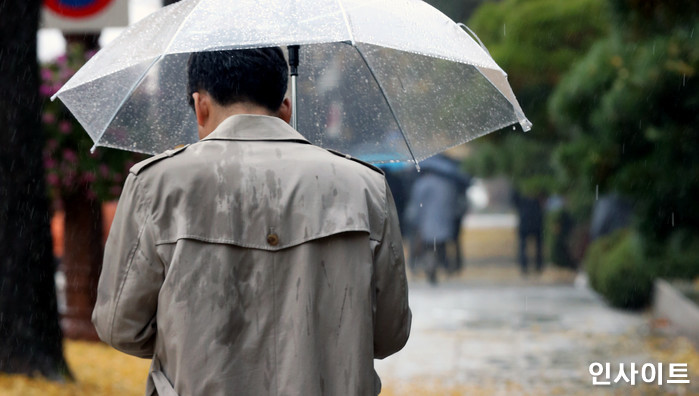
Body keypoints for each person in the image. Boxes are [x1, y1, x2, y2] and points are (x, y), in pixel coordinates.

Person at [92, 47, 411, 396]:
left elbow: (120, 326)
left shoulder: (156, 184)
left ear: (200, 106)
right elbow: (389, 334)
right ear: (285, 108)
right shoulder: (364, 187)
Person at [405, 154, 470, 283]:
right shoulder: (447, 184)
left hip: (425, 223)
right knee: (439, 247)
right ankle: (442, 266)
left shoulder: (421, 184)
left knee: (428, 247)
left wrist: (414, 222)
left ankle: (431, 266)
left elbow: (416, 206)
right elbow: (453, 204)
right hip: (443, 222)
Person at [512, 189, 544, 274]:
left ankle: (532, 266)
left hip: (528, 221)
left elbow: (515, 200)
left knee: (527, 247)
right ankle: (531, 266)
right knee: (532, 246)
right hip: (533, 221)